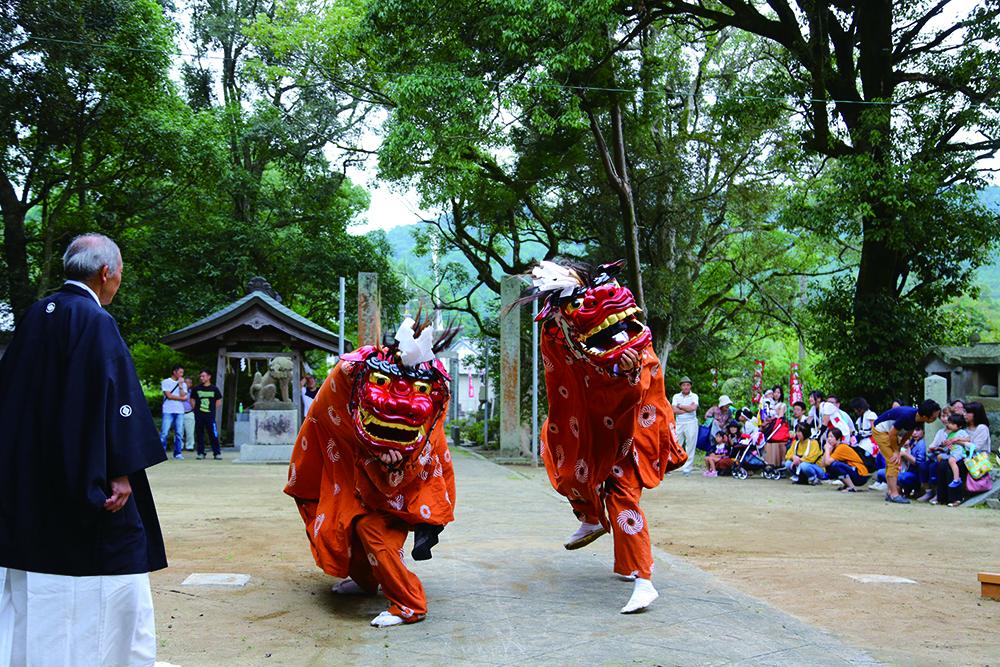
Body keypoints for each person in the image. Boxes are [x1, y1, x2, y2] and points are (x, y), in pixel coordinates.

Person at [0, 233, 167, 665]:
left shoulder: (36, 316)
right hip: (85, 477)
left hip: (31, 479)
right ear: (106, 272)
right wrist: (121, 469)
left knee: (33, 577)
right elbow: (115, 397)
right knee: (117, 553)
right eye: (120, 276)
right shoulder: (95, 322)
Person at [520, 259, 684, 614]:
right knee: (564, 458)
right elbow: (565, 376)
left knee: (624, 496)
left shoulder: (608, 309)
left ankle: (644, 580)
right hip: (593, 417)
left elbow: (644, 363)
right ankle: (593, 521)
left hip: (631, 420)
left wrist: (627, 374)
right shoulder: (554, 323)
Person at [285, 317, 458, 627]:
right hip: (350, 466)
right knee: (342, 522)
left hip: (401, 477)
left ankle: (409, 604)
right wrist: (374, 452)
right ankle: (365, 581)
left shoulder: (431, 389)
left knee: (373, 532)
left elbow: (428, 440)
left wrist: (396, 461)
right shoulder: (353, 373)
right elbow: (328, 419)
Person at [872, 400, 941, 504]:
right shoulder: (907, 416)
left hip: (889, 432)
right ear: (925, 416)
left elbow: (908, 433)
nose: (935, 419)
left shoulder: (918, 418)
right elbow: (892, 434)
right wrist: (896, 451)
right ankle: (894, 495)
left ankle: (891, 492)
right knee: (893, 461)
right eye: (933, 417)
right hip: (880, 431)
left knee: (893, 461)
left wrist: (899, 448)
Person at [933, 401, 993, 506]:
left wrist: (957, 441)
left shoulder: (982, 428)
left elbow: (976, 447)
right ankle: (942, 498)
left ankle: (956, 499)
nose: (964, 414)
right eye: (964, 412)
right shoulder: (963, 428)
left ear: (975, 414)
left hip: (977, 459)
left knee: (951, 466)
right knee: (942, 464)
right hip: (964, 456)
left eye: (967, 412)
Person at [822, 427, 870, 492]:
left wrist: (827, 449)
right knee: (830, 467)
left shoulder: (841, 447)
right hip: (855, 472)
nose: (829, 439)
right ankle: (847, 485)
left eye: (831, 437)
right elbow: (823, 464)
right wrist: (827, 450)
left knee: (835, 465)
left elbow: (827, 462)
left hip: (860, 474)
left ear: (838, 439)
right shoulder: (833, 448)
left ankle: (852, 487)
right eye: (828, 437)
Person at [191, 370, 223, 460]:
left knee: (213, 434)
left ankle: (217, 453)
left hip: (210, 416)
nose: (201, 378)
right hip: (199, 415)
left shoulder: (214, 389)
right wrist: (196, 409)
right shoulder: (196, 389)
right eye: (200, 376)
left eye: (203, 376)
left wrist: (212, 409)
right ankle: (201, 453)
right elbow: (192, 400)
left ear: (209, 377)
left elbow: (219, 401)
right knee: (199, 434)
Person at [672, 377, 700, 475]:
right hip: (679, 423)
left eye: (688, 385)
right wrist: (687, 408)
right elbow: (674, 410)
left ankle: (687, 468)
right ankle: (674, 465)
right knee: (676, 444)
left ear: (690, 386)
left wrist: (680, 406)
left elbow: (693, 408)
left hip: (691, 423)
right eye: (684, 385)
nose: (686, 387)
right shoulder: (676, 396)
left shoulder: (694, 396)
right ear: (681, 386)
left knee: (690, 445)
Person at [160, 364, 188, 459]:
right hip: (168, 410)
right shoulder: (166, 382)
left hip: (180, 411)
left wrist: (180, 386)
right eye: (180, 372)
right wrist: (181, 398)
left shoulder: (183, 384)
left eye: (182, 372)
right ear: (174, 372)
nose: (181, 374)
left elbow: (185, 397)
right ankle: (161, 452)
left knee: (179, 433)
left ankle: (178, 453)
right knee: (164, 432)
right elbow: (169, 395)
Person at [182, 377, 196, 451]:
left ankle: (190, 446)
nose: (186, 384)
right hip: (180, 414)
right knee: (179, 432)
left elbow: (194, 402)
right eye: (185, 382)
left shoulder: (192, 392)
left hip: (189, 413)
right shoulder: (179, 392)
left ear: (191, 384)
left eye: (188, 382)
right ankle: (179, 446)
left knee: (190, 432)